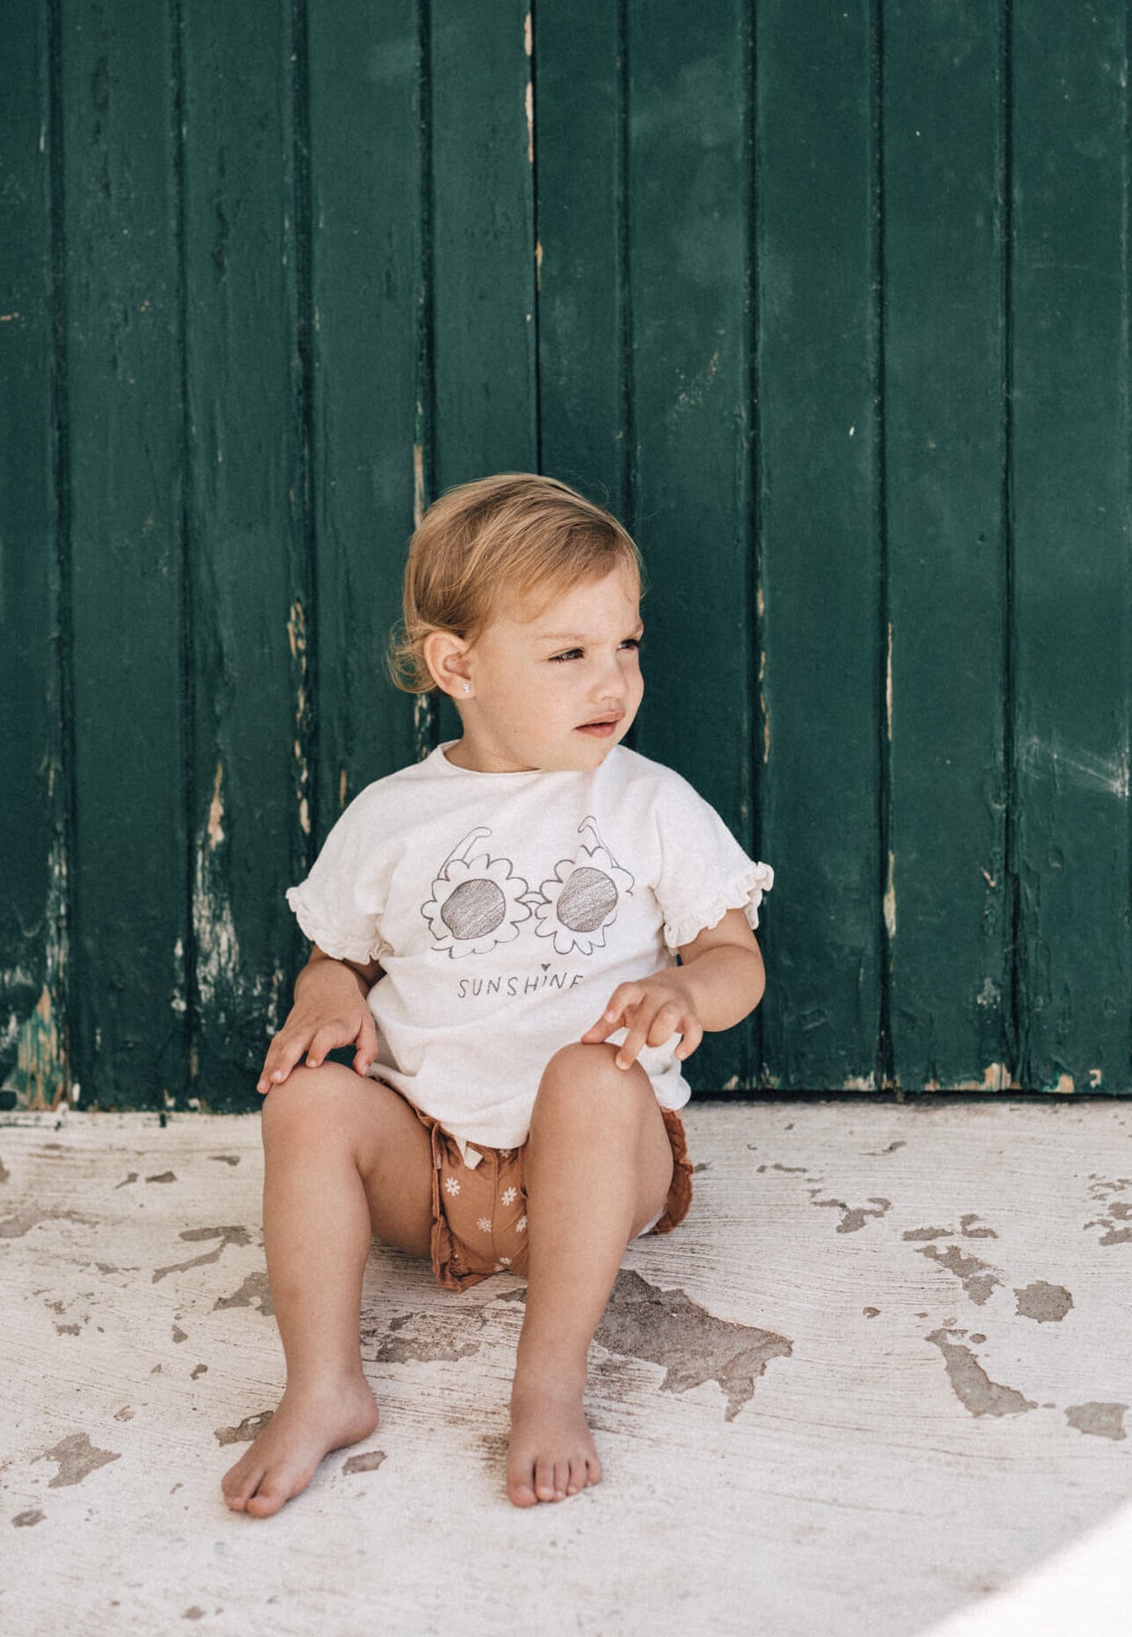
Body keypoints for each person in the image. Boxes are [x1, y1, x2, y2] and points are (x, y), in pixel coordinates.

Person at [221, 472, 773, 1517]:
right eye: (569, 655)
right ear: (457, 665)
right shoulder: (393, 817)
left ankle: (548, 1386)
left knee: (589, 1076)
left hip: (603, 1165)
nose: (613, 681)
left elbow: (733, 956)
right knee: (305, 1103)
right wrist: (326, 995)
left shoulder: (647, 803)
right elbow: (338, 959)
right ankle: (324, 1386)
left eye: (626, 645)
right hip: (432, 1171)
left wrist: (685, 991)